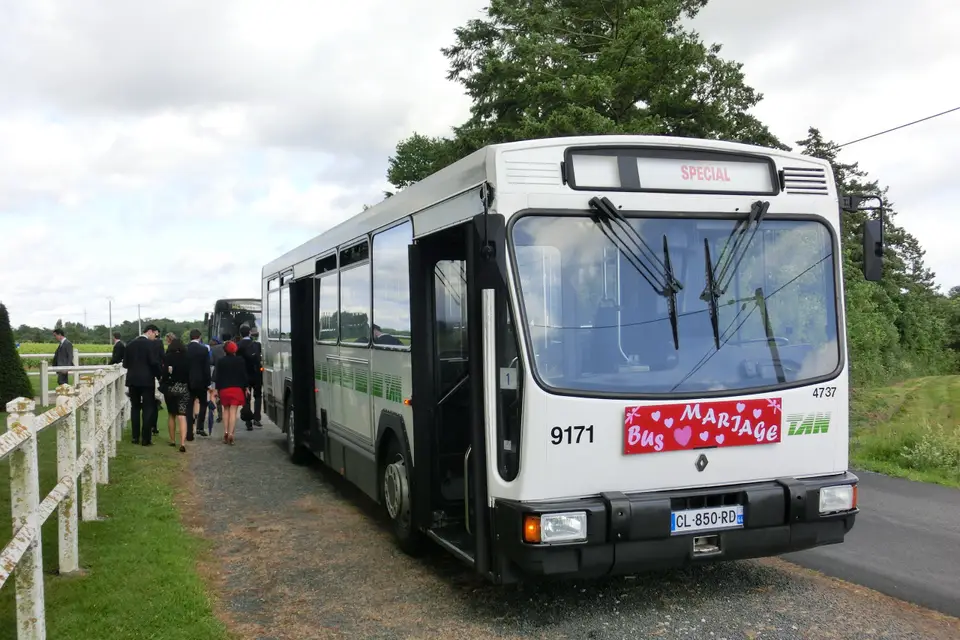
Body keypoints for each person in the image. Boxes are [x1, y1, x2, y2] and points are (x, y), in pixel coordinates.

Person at [122, 324, 162, 445]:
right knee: (148, 408)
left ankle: (135, 437)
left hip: (133, 380)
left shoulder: (130, 344)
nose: (155, 337)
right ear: (149, 332)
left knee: (135, 408)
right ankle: (146, 438)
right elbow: (154, 362)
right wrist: (159, 375)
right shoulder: (151, 345)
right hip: (147, 380)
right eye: (155, 334)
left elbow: (125, 364)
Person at [215, 340, 248, 445]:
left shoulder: (220, 361)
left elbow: (218, 377)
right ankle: (231, 434)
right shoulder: (240, 360)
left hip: (224, 389)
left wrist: (217, 389)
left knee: (226, 410)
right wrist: (245, 387)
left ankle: (225, 431)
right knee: (233, 412)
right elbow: (244, 375)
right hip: (237, 389)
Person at [160, 338, 190, 452]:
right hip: (183, 388)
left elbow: (164, 373)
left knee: (171, 414)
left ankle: (172, 440)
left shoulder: (168, 357)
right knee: (182, 415)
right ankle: (182, 442)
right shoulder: (187, 358)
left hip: (171, 388)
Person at [237, 324, 263, 430]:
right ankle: (257, 418)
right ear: (250, 333)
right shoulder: (257, 345)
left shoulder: (238, 345)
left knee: (246, 398)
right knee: (257, 396)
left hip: (244, 375)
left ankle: (248, 421)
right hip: (256, 373)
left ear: (240, 333)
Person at [186, 329, 210, 439]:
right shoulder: (204, 349)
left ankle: (189, 431)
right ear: (199, 337)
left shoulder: (185, 349)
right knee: (203, 404)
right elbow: (206, 368)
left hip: (189, 381)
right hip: (201, 381)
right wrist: (208, 382)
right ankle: (200, 427)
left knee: (189, 406)